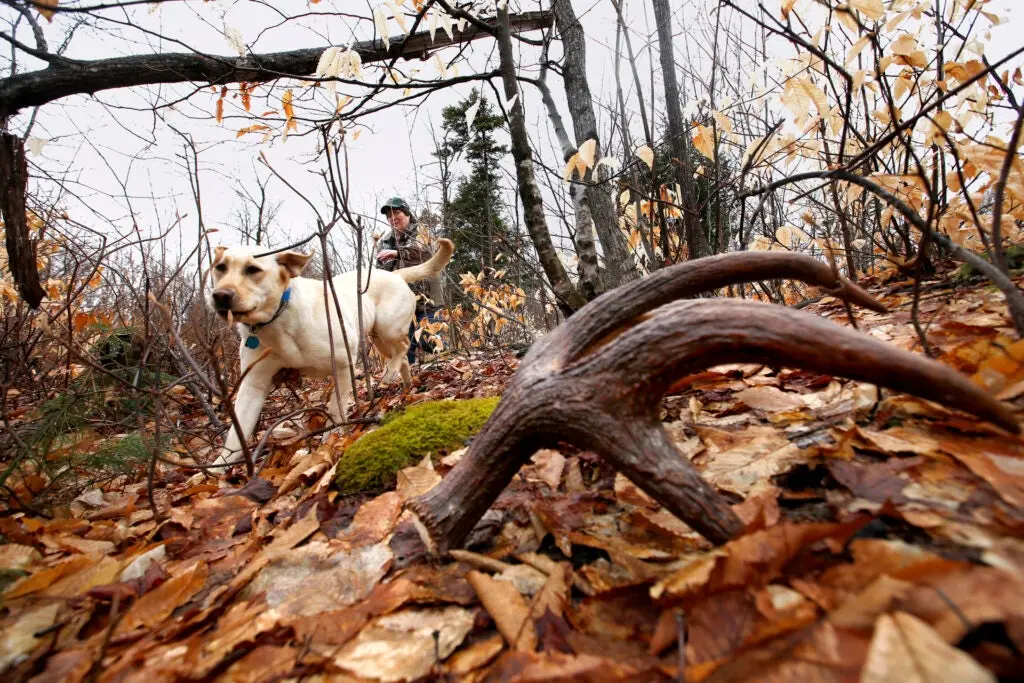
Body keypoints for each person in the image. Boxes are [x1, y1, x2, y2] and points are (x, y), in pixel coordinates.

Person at [377, 197, 444, 364]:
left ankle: (448, 370)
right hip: (401, 305)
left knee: (429, 340)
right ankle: (410, 385)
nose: (393, 217)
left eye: (397, 212)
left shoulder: (422, 232)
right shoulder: (385, 241)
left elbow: (424, 253)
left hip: (427, 300)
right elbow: (382, 274)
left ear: (407, 214)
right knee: (404, 349)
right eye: (389, 215)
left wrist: (397, 253)